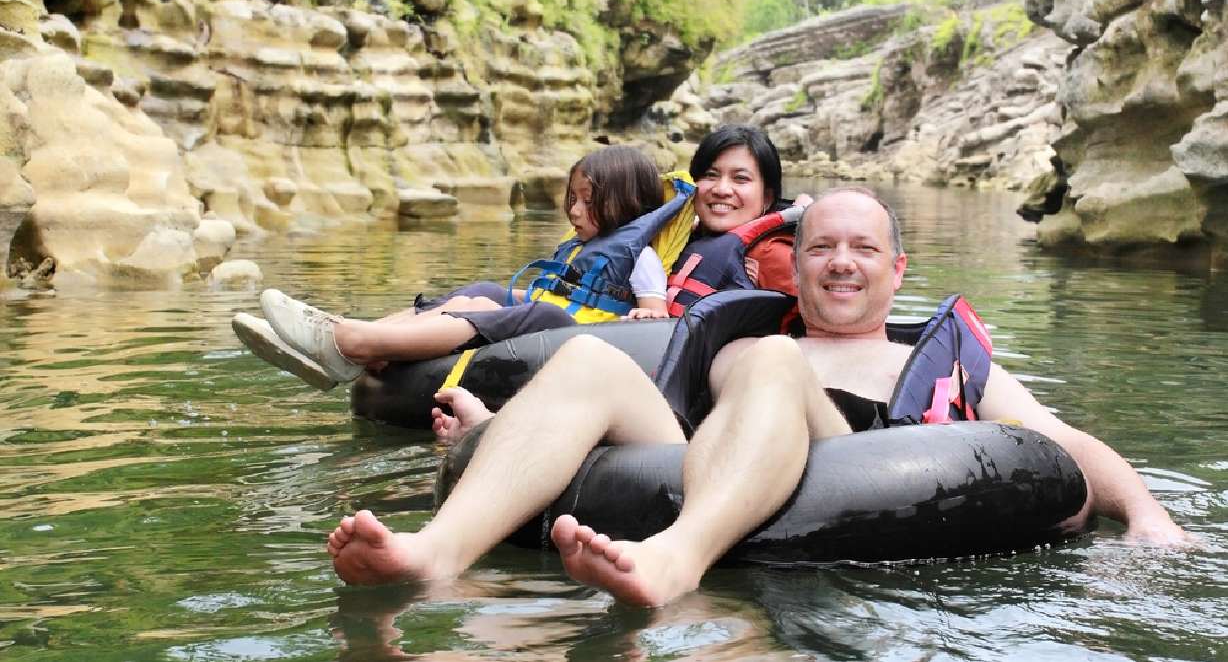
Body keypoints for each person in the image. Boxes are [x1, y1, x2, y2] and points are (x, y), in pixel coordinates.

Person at [324, 187, 1188, 608]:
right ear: (795, 263)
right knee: (593, 359)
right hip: (712, 446)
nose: (840, 262)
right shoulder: (749, 335)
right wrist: (487, 433)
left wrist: (1147, 517)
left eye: (861, 249)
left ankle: (677, 557)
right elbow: (648, 428)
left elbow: (1061, 445)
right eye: (821, 248)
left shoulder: (950, 367)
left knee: (772, 365)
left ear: (897, 271)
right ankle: (434, 555)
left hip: (862, 465)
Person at [235, 125, 800, 390]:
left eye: (740, 179)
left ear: (768, 196)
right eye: (710, 175)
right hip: (619, 333)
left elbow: (784, 328)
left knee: (541, 316)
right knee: (487, 290)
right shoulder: (677, 235)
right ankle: (343, 340)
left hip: (651, 356)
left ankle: (354, 345)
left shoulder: (764, 252)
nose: (721, 189)